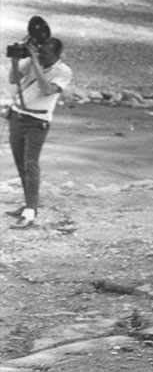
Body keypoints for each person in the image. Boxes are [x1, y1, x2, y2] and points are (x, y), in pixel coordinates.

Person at [7, 36, 72, 229]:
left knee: (31, 163)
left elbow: (46, 89)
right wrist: (16, 62)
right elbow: (13, 80)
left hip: (38, 121)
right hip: (17, 115)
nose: (41, 55)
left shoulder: (63, 71)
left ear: (56, 54)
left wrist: (35, 61)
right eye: (40, 51)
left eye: (45, 53)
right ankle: (29, 202)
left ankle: (31, 210)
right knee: (20, 162)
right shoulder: (32, 61)